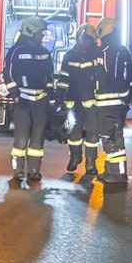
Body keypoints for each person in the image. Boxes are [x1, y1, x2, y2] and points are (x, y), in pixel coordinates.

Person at [0, 17, 54, 181]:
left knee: (38, 137)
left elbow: (49, 75)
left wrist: (50, 95)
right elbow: (7, 74)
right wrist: (15, 95)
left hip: (41, 101)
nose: (42, 36)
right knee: (21, 138)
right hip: (23, 100)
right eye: (40, 33)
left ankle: (34, 170)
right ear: (30, 31)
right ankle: (17, 169)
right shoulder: (16, 50)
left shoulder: (44, 52)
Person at [54, 23, 103, 176]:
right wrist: (58, 99)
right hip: (73, 102)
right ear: (78, 37)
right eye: (84, 38)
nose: (86, 41)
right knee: (73, 132)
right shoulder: (69, 56)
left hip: (92, 102)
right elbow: (63, 79)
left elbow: (103, 77)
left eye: (89, 39)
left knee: (93, 134)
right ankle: (75, 157)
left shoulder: (98, 55)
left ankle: (90, 162)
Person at [93, 17, 132, 184]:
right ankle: (110, 170)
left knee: (112, 136)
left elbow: (122, 77)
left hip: (112, 102)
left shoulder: (115, 50)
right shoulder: (110, 49)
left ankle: (118, 173)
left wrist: (124, 96)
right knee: (107, 136)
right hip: (107, 102)